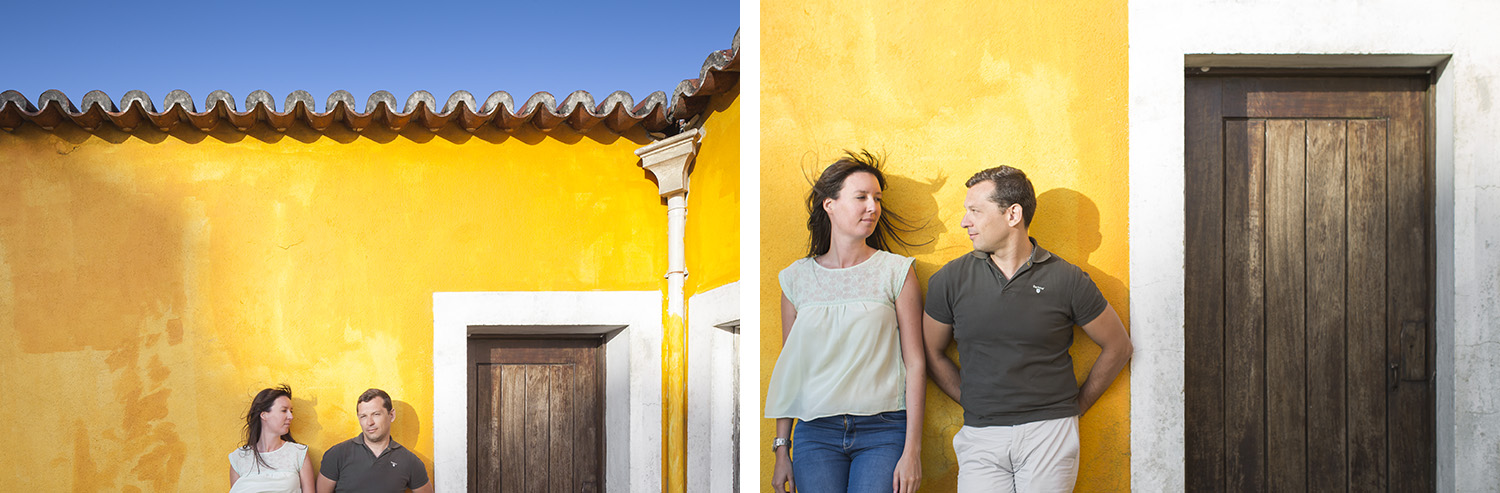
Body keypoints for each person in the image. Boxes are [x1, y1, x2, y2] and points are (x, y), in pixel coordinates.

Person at [923, 166, 1133, 492]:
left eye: (975, 211)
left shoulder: (1068, 279)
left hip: (1050, 433)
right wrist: (971, 399)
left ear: (1013, 214)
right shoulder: (949, 281)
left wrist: (1075, 408)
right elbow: (931, 352)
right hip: (981, 435)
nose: (965, 221)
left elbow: (1119, 347)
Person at [766, 151, 927, 493]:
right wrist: (783, 448)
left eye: (877, 199)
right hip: (815, 434)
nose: (873, 207)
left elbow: (915, 363)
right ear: (830, 205)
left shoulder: (896, 272)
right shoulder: (796, 279)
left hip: (883, 431)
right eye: (861, 197)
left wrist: (912, 450)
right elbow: (791, 369)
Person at [317, 389, 432, 493]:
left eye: (376, 414)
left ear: (391, 415)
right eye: (363, 416)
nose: (369, 422)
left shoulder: (410, 461)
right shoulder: (337, 455)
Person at [229, 385, 316, 493]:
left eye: (291, 411)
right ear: (264, 415)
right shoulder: (239, 457)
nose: (291, 416)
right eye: (284, 410)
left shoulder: (298, 453)